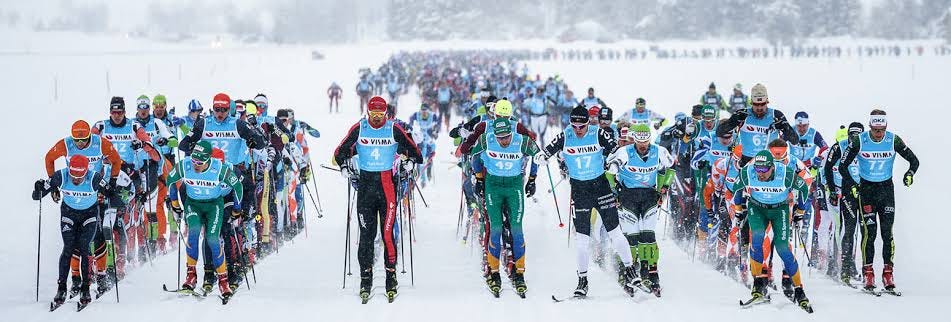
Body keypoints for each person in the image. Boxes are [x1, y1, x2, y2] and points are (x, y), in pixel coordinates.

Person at [536, 106, 643, 297]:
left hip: (600, 186)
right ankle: (582, 281)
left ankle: (630, 270)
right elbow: (547, 151)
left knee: (615, 233)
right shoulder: (565, 135)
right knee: (582, 240)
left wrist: (615, 162)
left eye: (581, 126)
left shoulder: (598, 133)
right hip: (580, 191)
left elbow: (620, 152)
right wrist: (541, 157)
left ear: (588, 123)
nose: (578, 130)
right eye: (574, 125)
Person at [332, 96, 423, 302]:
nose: (376, 118)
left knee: (387, 234)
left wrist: (409, 161)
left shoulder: (393, 129)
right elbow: (340, 151)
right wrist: (344, 165)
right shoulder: (360, 128)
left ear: (385, 114)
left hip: (387, 188)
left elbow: (416, 152)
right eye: (373, 114)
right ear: (368, 112)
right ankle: (366, 278)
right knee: (366, 235)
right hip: (365, 187)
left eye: (380, 115)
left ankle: (391, 278)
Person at [837, 109, 919, 293]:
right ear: (870, 127)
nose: (878, 134)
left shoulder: (893, 140)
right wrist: (852, 185)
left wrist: (910, 174)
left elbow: (914, 161)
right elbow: (843, 165)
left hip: (886, 191)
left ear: (886, 127)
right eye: (875, 130)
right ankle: (868, 273)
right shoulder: (860, 140)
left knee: (887, 233)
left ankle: (888, 273)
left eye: (881, 130)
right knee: (869, 233)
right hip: (866, 191)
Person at [465, 117, 540, 297]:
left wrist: (532, 179)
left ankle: (519, 273)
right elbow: (474, 155)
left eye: (506, 137)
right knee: (496, 229)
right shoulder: (487, 139)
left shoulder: (521, 140)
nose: (503, 141)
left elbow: (538, 156)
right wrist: (479, 179)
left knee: (516, 228)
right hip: (494, 186)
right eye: (500, 138)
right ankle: (494, 272)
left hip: (514, 186)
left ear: (511, 133)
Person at [732, 151, 812, 310]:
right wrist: (739, 209)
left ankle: (799, 290)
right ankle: (758, 285)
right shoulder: (749, 172)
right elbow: (736, 188)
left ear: (772, 167)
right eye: (757, 170)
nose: (760, 174)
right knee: (757, 238)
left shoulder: (785, 174)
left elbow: (804, 188)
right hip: (757, 208)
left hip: (779, 210)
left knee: (783, 248)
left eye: (764, 170)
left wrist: (800, 211)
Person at [166, 141, 244, 299]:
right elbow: (170, 180)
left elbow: (238, 187)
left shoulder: (219, 168)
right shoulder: (185, 165)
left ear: (208, 159)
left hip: (214, 205)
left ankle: (223, 282)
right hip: (193, 204)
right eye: (194, 161)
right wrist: (174, 203)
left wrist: (237, 209)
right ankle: (191, 276)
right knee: (193, 233)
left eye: (200, 163)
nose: (196, 166)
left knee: (213, 239)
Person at [91, 96, 161, 272]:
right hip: (106, 176)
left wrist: (142, 143)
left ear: (124, 112)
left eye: (120, 112)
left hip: (128, 175)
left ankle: (129, 256)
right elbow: (89, 143)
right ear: (110, 112)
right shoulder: (100, 126)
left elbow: (149, 146)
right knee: (100, 219)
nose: (117, 115)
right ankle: (97, 261)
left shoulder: (134, 126)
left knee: (127, 217)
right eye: (114, 112)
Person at [607, 124, 674, 296]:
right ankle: (626, 272)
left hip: (649, 197)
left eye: (645, 142)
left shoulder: (658, 151)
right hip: (628, 197)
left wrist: (664, 188)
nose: (643, 146)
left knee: (648, 235)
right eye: (639, 142)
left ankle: (649, 273)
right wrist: (614, 191)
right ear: (634, 139)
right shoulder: (625, 152)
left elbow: (670, 168)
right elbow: (609, 172)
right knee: (632, 237)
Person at [33, 155, 108, 307]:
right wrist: (39, 188)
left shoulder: (94, 178)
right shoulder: (61, 175)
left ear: (86, 172)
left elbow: (110, 192)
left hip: (89, 215)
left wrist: (111, 192)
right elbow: (37, 195)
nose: (76, 180)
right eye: (73, 175)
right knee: (68, 248)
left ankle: (85, 288)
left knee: (84, 247)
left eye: (80, 177)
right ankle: (61, 289)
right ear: (69, 170)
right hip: (69, 214)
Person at [133, 95, 176, 254]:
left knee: (170, 198)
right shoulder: (133, 124)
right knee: (145, 206)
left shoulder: (157, 123)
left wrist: (166, 141)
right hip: (139, 168)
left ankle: (167, 234)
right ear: (137, 108)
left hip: (160, 164)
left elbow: (174, 141)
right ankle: (147, 241)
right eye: (140, 107)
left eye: (146, 107)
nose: (143, 110)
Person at [822, 122, 864, 284]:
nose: (854, 139)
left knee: (852, 230)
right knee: (840, 226)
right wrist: (831, 189)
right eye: (851, 136)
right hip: (837, 190)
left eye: (857, 136)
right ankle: (836, 262)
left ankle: (846, 263)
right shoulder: (839, 146)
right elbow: (827, 168)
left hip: (855, 190)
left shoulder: (865, 145)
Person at [719, 83, 799, 165]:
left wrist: (785, 128)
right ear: (751, 102)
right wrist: (733, 120)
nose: (759, 108)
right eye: (756, 104)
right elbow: (719, 132)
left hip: (769, 163)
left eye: (762, 104)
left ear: (767, 101)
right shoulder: (743, 114)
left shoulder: (776, 115)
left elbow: (795, 140)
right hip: (746, 162)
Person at [409, 104, 439, 187]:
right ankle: (422, 179)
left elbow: (437, 125)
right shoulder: (416, 115)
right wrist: (411, 129)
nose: (424, 113)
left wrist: (435, 131)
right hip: (420, 140)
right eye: (422, 111)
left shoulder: (432, 115)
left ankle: (429, 168)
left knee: (430, 153)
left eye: (425, 111)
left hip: (429, 140)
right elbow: (410, 124)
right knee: (420, 159)